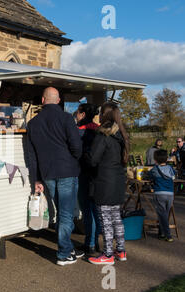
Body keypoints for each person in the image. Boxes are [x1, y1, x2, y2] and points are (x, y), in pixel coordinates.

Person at [26, 87, 83, 266]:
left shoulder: (33, 123)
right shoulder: (66, 118)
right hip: (67, 171)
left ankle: (68, 247)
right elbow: (77, 146)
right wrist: (74, 159)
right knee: (66, 214)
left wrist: (36, 178)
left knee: (60, 212)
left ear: (43, 101)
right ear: (58, 101)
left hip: (47, 173)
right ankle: (64, 253)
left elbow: (32, 155)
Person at [85, 102, 129, 265]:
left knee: (105, 219)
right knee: (116, 217)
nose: (99, 115)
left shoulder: (103, 134)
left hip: (104, 181)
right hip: (117, 180)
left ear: (105, 115)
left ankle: (108, 253)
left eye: (101, 113)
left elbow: (93, 159)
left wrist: (84, 155)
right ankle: (121, 250)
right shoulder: (121, 134)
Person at [75, 103, 101, 254]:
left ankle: (90, 244)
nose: (76, 115)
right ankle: (94, 241)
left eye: (77, 113)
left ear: (83, 114)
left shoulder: (79, 131)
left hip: (83, 173)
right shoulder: (99, 130)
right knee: (94, 210)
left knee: (87, 210)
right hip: (96, 174)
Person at [149, 149, 176, 242]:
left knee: (162, 215)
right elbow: (174, 176)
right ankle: (161, 233)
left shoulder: (155, 169)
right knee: (165, 214)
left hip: (159, 193)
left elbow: (149, 176)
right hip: (170, 194)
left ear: (155, 159)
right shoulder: (170, 168)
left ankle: (168, 235)